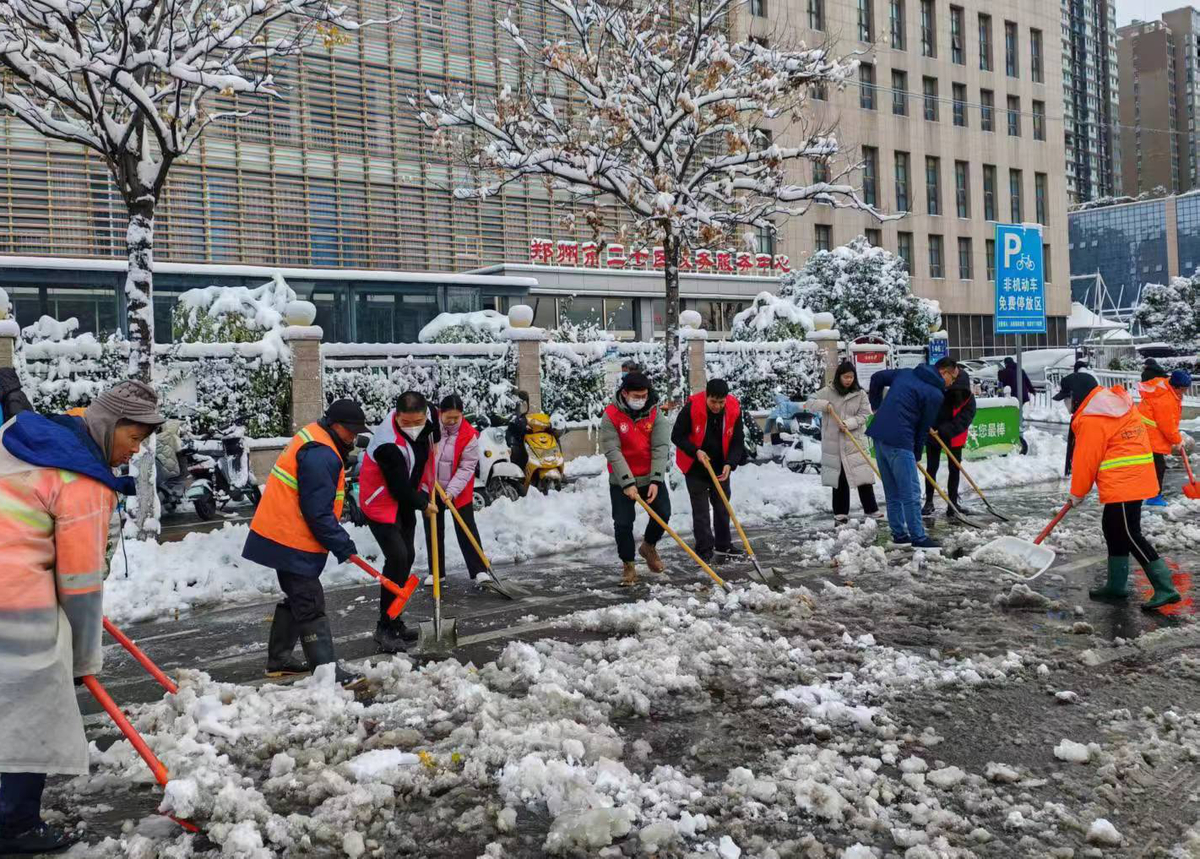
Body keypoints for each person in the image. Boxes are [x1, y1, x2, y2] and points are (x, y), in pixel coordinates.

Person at [0, 380, 162, 855]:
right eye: (134, 439)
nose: (135, 452)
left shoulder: (36, 436)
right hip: (16, 603)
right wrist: (81, 659)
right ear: (110, 425)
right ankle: (14, 824)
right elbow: (80, 586)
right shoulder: (83, 480)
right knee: (30, 708)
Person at [243, 399, 368, 683]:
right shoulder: (322, 453)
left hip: (284, 534)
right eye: (351, 432)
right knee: (310, 601)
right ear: (337, 427)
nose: (354, 438)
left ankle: (280, 660)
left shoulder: (317, 437)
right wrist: (342, 544)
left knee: (298, 597)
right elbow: (318, 513)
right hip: (290, 538)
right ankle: (327, 673)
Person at [1058, 373, 1181, 609]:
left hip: (1126, 481)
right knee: (1113, 528)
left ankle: (1165, 587)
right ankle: (1116, 585)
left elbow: (1086, 459)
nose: (1066, 403)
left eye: (1067, 398)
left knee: (1128, 533)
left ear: (1078, 396)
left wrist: (1078, 491)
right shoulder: (1107, 404)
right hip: (1131, 477)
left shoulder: (1093, 416)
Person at [359, 391, 439, 653]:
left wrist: (426, 489)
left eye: (418, 421)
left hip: (405, 502)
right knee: (397, 558)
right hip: (381, 503)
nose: (413, 427)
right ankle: (384, 627)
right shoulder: (387, 445)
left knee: (407, 557)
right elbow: (398, 488)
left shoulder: (427, 423)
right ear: (397, 416)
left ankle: (395, 619)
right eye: (406, 423)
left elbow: (434, 434)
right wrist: (424, 504)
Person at [867, 357, 959, 550]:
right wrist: (915, 454)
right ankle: (918, 537)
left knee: (893, 492)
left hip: (879, 436)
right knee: (911, 492)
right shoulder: (935, 394)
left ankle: (899, 534)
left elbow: (876, 378)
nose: (952, 383)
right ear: (944, 372)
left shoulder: (907, 373)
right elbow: (923, 428)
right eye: (953, 377)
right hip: (901, 440)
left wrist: (876, 407)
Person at [600, 371, 671, 586]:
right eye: (636, 396)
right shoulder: (611, 415)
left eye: (644, 395)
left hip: (650, 475)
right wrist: (627, 482)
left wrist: (656, 479)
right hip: (622, 480)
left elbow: (660, 446)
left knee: (663, 513)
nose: (641, 400)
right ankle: (628, 565)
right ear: (625, 393)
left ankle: (648, 546)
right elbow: (613, 450)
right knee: (623, 523)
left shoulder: (654, 412)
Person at [672, 378, 746, 562]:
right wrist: (695, 451)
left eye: (721, 402)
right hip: (696, 467)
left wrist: (730, 463)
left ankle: (724, 544)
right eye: (713, 401)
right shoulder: (692, 408)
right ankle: (704, 550)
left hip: (721, 466)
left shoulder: (734, 409)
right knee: (701, 511)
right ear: (706, 396)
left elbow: (738, 440)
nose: (717, 406)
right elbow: (677, 436)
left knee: (722, 507)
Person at [803, 361, 880, 524]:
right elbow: (809, 403)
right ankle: (840, 512)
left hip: (854, 441)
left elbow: (865, 414)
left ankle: (871, 509)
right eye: (846, 377)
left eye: (851, 377)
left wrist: (849, 423)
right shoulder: (828, 392)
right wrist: (825, 405)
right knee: (840, 478)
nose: (848, 380)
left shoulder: (860, 394)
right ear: (839, 376)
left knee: (862, 476)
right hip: (834, 443)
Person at [428, 395, 488, 584]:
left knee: (466, 526)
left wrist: (451, 491)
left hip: (459, 488)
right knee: (433, 527)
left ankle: (479, 570)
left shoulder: (468, 435)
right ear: (440, 413)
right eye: (449, 417)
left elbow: (467, 467)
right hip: (432, 486)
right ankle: (436, 571)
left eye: (457, 417)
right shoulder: (430, 428)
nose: (453, 421)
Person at [922, 367, 976, 519]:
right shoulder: (935, 384)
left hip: (954, 434)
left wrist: (946, 430)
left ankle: (953, 504)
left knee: (954, 468)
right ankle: (928, 501)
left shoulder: (963, 389)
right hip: (933, 433)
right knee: (932, 467)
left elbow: (965, 416)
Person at [1138, 366, 1187, 507]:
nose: (1184, 393)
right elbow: (1167, 424)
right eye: (1183, 389)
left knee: (1153, 465)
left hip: (1145, 431)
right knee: (1158, 466)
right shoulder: (1166, 399)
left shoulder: (1165, 387)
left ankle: (1150, 493)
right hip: (1149, 434)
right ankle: (1153, 497)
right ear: (1176, 387)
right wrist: (1177, 440)